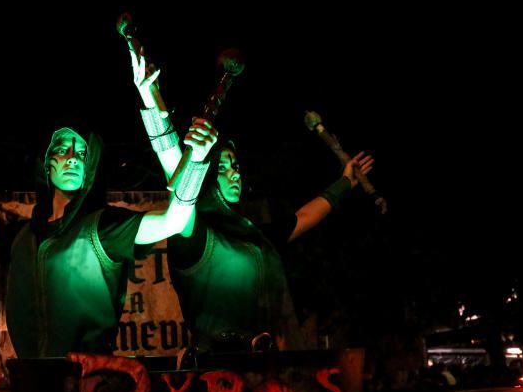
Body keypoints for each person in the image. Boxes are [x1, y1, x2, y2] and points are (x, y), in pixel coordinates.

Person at [0, 121, 218, 359]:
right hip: (33, 381)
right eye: (62, 150)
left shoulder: (104, 226)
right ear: (47, 166)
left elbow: (175, 220)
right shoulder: (23, 236)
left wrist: (198, 161)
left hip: (91, 379)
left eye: (81, 153)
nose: (73, 158)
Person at [131, 47, 373, 352]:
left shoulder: (254, 236)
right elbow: (173, 164)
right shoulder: (192, 231)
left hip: (271, 367)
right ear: (205, 174)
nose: (234, 174)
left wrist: (346, 182)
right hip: (215, 372)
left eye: (236, 167)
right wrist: (151, 100)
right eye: (222, 166)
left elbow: (305, 217)